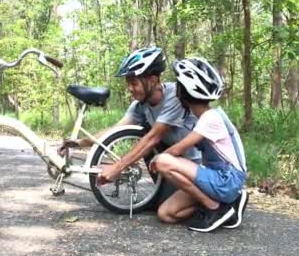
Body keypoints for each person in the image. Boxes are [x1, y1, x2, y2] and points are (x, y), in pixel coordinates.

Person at [59, 47, 201, 211]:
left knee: (166, 210)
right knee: (159, 205)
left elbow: (152, 139)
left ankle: (218, 203)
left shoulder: (175, 97)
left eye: (134, 83)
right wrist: (77, 143)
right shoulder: (141, 105)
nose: (130, 89)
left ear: (153, 81)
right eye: (128, 83)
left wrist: (117, 167)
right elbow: (114, 131)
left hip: (198, 166)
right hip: (174, 165)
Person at [149, 57, 249, 233]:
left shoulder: (211, 118)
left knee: (164, 161)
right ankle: (228, 206)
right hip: (217, 179)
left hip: (226, 180)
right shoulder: (202, 117)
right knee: (166, 213)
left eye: (178, 85)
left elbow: (178, 150)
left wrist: (156, 158)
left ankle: (214, 208)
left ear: (185, 91)